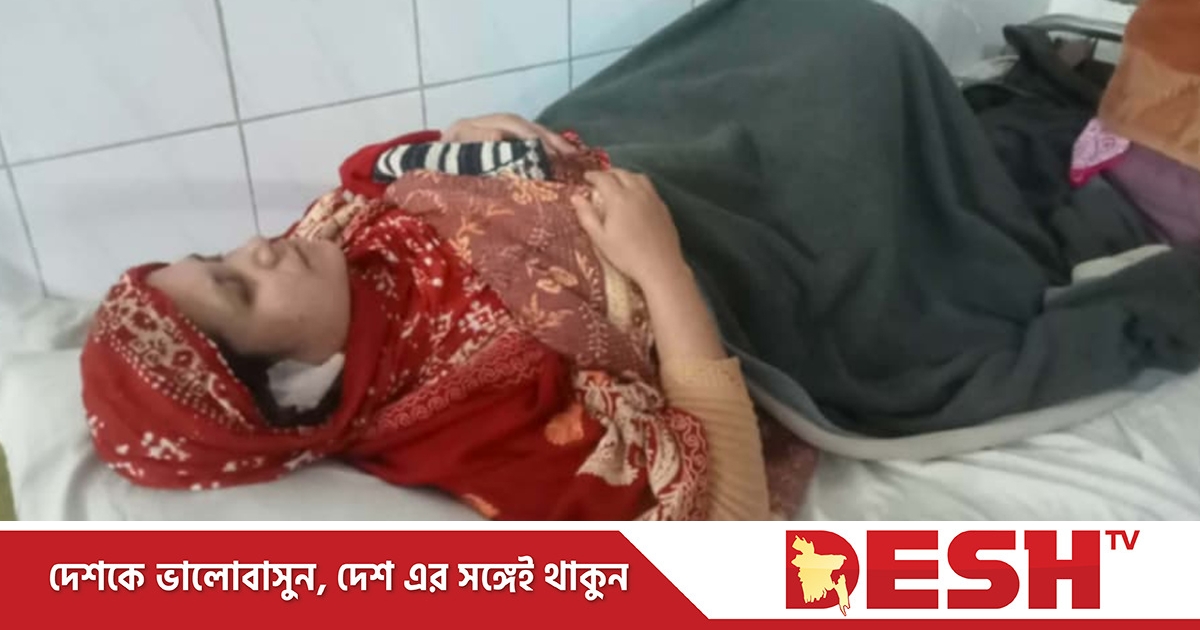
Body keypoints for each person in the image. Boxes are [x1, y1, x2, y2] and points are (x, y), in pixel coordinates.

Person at [80, 113, 772, 521]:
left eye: (216, 256)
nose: (256, 246)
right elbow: (726, 524)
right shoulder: (474, 430)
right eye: (238, 289)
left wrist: (465, 138)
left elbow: (378, 174)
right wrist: (663, 269)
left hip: (627, 142)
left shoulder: (332, 242)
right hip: (725, 241)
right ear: (290, 388)